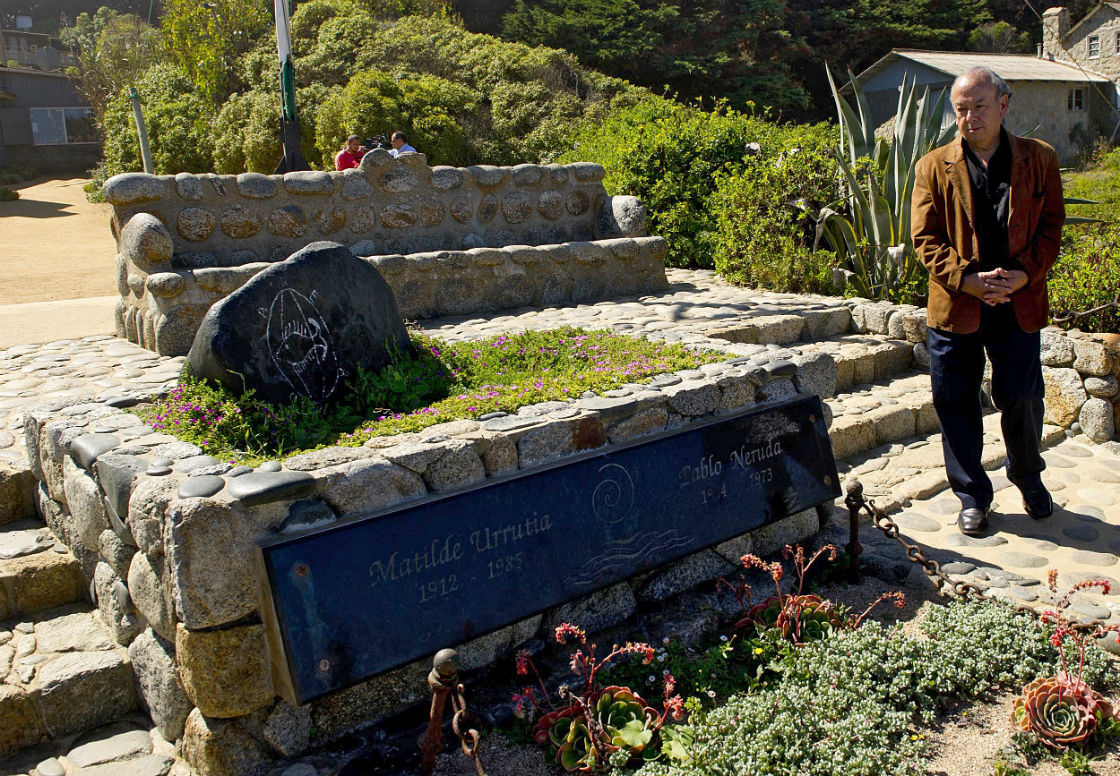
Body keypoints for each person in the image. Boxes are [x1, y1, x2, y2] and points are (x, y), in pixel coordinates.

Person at [911, 66, 1065, 537]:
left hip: (1018, 303)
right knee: (955, 400)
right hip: (958, 307)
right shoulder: (933, 166)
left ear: (1003, 104)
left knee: (1021, 397)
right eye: (961, 108)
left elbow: (1051, 228)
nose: (969, 117)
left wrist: (1022, 275)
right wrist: (970, 281)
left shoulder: (1039, 159)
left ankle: (1027, 476)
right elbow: (925, 238)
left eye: (979, 106)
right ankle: (971, 495)